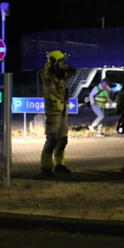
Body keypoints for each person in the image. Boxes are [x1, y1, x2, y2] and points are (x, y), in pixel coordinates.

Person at [40, 50, 77, 178]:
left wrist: (62, 68)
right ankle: (46, 167)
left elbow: (73, 70)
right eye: (60, 61)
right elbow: (48, 77)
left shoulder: (59, 72)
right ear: (54, 62)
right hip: (53, 109)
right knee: (52, 139)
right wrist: (56, 69)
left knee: (63, 139)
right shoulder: (46, 72)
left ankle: (59, 164)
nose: (63, 63)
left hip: (63, 109)